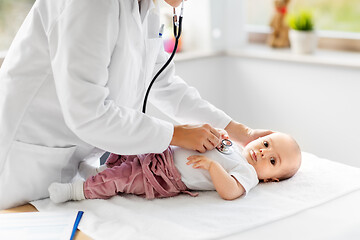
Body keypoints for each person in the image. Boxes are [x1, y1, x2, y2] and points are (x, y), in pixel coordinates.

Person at [0, 0, 271, 210]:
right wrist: (176, 134)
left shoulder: (145, 8)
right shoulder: (91, 5)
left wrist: (239, 132)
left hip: (64, 160)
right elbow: (88, 113)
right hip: (20, 162)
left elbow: (163, 82)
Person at [48, 132, 301, 203]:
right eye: (267, 143)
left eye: (272, 161)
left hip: (163, 176)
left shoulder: (248, 175)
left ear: (271, 179)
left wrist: (213, 167)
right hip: (163, 151)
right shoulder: (233, 145)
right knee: (126, 149)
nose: (264, 152)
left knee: (126, 177)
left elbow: (230, 191)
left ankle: (76, 191)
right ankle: (97, 174)